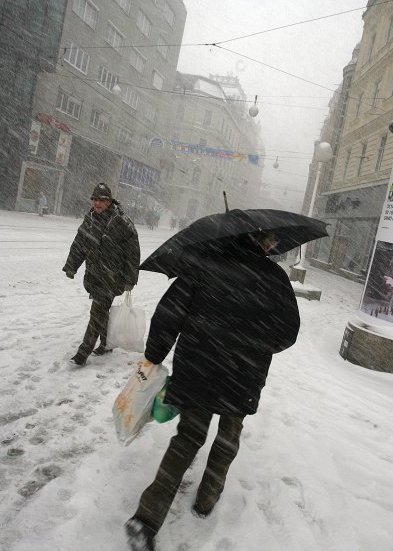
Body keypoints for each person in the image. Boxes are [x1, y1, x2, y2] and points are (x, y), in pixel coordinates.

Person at [124, 231, 301, 551]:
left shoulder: (204, 264)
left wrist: (154, 355)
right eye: (271, 240)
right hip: (244, 375)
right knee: (228, 438)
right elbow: (288, 334)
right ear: (266, 243)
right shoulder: (275, 278)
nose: (272, 245)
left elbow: (169, 313)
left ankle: (146, 519)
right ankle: (206, 500)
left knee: (188, 438)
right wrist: (257, 344)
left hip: (198, 366)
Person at [63, 183, 139, 366]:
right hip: (95, 273)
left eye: (102, 200)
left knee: (97, 311)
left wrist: (130, 278)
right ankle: (106, 343)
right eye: (95, 199)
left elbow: (133, 252)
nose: (97, 203)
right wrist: (71, 266)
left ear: (109, 201)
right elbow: (79, 244)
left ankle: (83, 352)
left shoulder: (121, 221)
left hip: (113, 276)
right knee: (102, 311)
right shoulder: (89, 219)